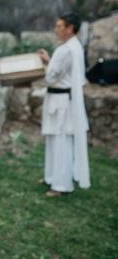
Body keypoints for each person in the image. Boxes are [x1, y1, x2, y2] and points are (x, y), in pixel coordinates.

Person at [38, 13, 90, 197]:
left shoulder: (67, 49)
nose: (56, 29)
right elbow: (60, 70)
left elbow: (51, 76)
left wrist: (46, 64)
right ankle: (52, 176)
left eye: (60, 26)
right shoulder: (74, 46)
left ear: (70, 28)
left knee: (61, 142)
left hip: (61, 101)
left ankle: (61, 185)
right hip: (61, 99)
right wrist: (50, 61)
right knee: (55, 140)